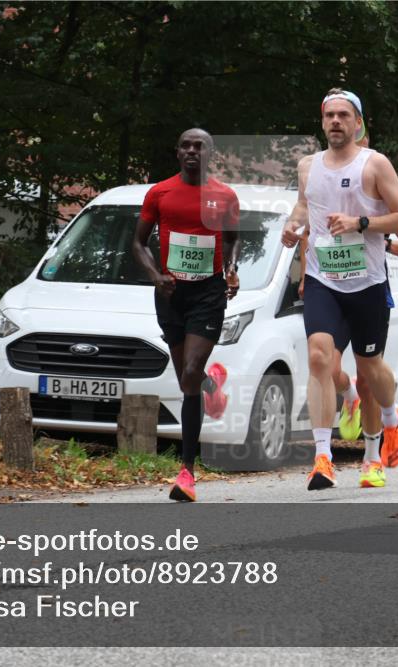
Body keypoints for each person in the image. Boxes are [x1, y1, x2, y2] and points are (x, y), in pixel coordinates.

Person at [282, 88, 398, 491]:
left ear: (358, 123)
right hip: (324, 279)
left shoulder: (375, 164)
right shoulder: (308, 166)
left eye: (344, 115)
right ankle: (323, 458)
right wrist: (293, 227)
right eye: (329, 115)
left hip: (367, 284)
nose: (335, 122)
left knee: (369, 373)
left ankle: (376, 446)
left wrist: (361, 223)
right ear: (322, 121)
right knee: (319, 358)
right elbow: (302, 207)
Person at [132, 128, 240, 502]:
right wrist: (155, 276)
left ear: (210, 153)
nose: (193, 151)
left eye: (200, 147)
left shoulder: (225, 196)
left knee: (191, 370)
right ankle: (211, 388)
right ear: (177, 152)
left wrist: (230, 269)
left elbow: (232, 237)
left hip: (208, 293)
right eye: (187, 146)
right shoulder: (159, 192)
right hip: (170, 293)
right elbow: (138, 241)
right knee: (186, 379)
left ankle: (187, 471)